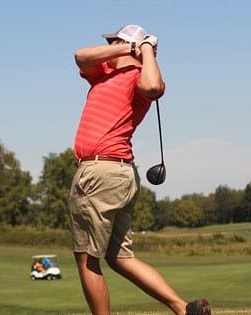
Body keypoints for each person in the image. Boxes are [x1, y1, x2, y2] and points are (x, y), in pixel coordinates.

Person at [68, 24, 211, 315]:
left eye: (114, 42)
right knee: (119, 256)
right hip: (117, 175)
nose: (108, 49)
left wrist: (145, 51)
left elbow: (153, 87)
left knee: (86, 258)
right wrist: (130, 47)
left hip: (100, 173)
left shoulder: (139, 77)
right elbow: (80, 56)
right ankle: (184, 310)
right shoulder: (103, 73)